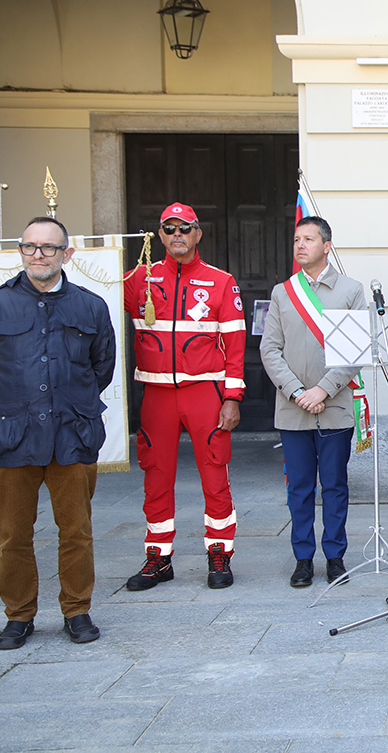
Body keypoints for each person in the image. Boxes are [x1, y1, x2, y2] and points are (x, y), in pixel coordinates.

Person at [0, 217, 114, 649]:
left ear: (66, 254)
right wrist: (15, 406)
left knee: (77, 531)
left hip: (72, 434)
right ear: (20, 251)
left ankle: (77, 610)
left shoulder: (90, 306)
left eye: (48, 248)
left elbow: (101, 367)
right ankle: (19, 615)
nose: (38, 254)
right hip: (12, 439)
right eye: (30, 246)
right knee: (13, 534)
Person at [124, 203, 246, 589]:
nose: (177, 234)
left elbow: (237, 343)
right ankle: (158, 558)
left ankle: (219, 554)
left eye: (185, 228)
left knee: (214, 475)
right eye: (169, 228)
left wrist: (233, 397)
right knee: (156, 476)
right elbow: (95, 299)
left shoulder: (221, 281)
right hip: (156, 395)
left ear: (198, 234)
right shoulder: (138, 280)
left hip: (204, 392)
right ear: (159, 235)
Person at [260, 216, 366, 588]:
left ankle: (335, 555)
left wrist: (322, 389)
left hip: (334, 407)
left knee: (335, 485)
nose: (300, 245)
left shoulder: (351, 290)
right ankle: (303, 558)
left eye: (308, 239)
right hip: (293, 410)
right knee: (299, 487)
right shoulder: (282, 292)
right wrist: (296, 392)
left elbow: (354, 350)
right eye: (296, 239)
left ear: (327, 245)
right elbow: (269, 349)